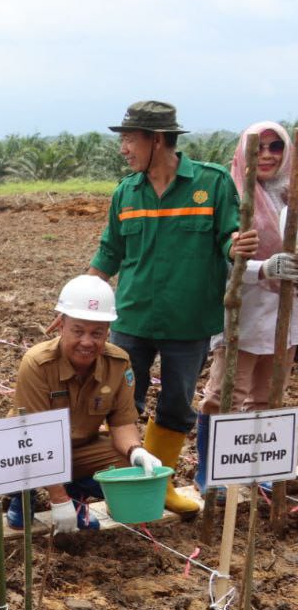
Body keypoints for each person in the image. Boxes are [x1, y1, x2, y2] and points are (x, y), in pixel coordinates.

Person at [87, 100, 258, 516]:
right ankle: (123, 480)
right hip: (134, 317)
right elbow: (110, 251)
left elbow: (227, 237)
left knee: (178, 405)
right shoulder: (126, 192)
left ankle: (159, 485)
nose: (123, 148)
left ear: (157, 140)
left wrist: (234, 245)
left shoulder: (212, 184)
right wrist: (83, 298)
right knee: (122, 399)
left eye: (129, 139)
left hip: (189, 320)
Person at [8, 276, 162, 532]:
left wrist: (136, 451)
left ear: (108, 332)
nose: (87, 341)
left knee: (127, 464)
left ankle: (76, 493)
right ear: (61, 325)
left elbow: (122, 423)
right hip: (31, 449)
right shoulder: (37, 363)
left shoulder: (118, 363)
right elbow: (33, 436)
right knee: (10, 451)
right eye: (78, 331)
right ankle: (21, 495)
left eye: (97, 333)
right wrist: (58, 501)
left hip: (79, 448)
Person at [195, 122, 298, 495]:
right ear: (244, 153)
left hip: (287, 317)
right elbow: (216, 261)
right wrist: (260, 269)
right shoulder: (231, 197)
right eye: (260, 148)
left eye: (276, 147)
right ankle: (210, 472)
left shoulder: (293, 198)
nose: (268, 155)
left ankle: (260, 471)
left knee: (269, 397)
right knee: (224, 395)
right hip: (241, 311)